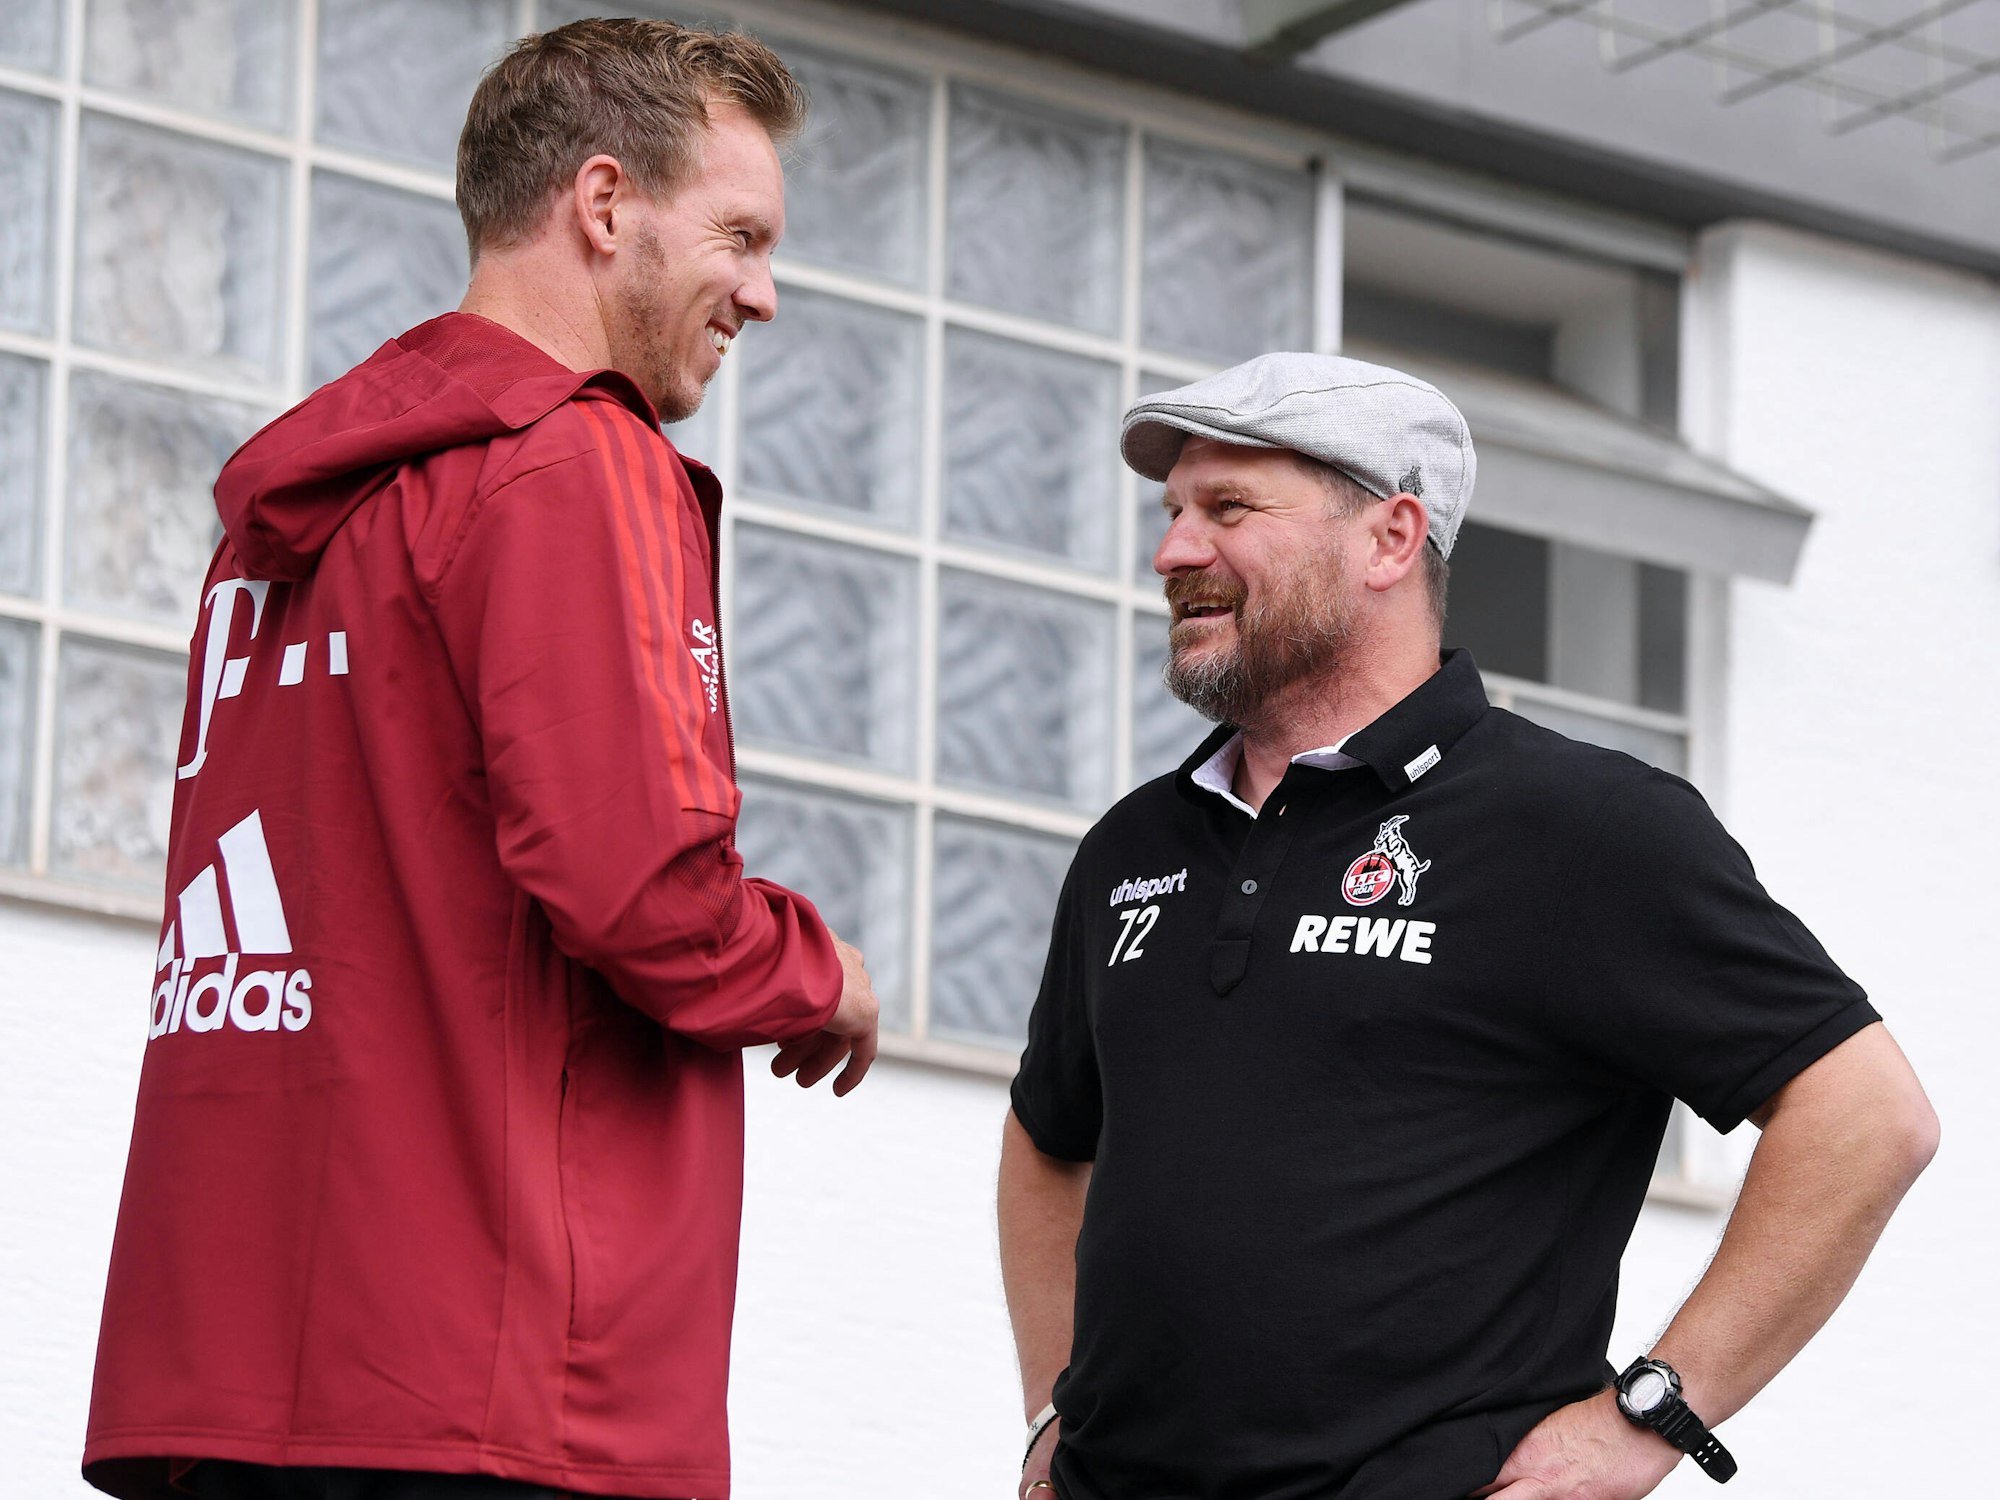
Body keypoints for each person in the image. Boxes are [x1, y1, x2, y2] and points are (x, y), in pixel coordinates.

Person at [83, 20, 878, 1500]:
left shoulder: (292, 517)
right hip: (498, 1393)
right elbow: (639, 886)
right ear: (600, 206)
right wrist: (815, 971)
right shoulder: (577, 461)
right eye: (741, 235)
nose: (764, 294)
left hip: (231, 1380)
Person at [998, 351, 1937, 1500]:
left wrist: (1653, 1417)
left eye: (1228, 508)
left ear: (1391, 538)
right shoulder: (1132, 849)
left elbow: (1863, 1116)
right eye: (1172, 512)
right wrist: (1051, 1414)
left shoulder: (1581, 827)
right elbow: (1048, 1138)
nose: (1173, 552)